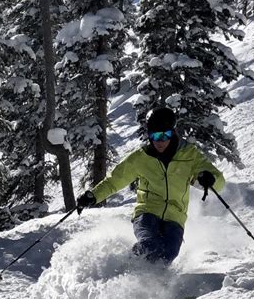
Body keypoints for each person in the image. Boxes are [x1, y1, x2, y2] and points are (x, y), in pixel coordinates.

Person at [77, 106, 225, 265]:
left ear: (173, 132)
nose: (160, 141)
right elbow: (115, 180)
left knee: (167, 255)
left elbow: (219, 181)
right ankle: (127, 268)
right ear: (149, 135)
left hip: (175, 217)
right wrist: (94, 196)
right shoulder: (141, 157)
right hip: (147, 213)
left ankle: (154, 283)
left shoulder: (189, 155)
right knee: (149, 245)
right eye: (155, 136)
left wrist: (210, 179)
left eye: (165, 135)